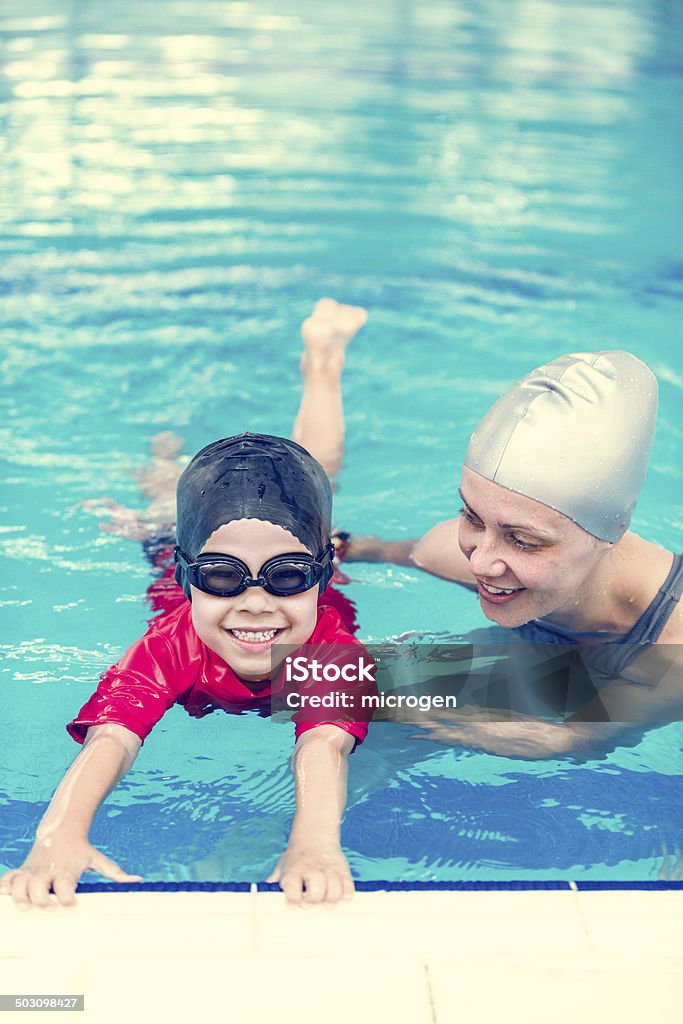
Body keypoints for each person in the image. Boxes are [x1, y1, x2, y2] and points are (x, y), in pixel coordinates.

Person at [0, 299, 372, 910]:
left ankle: (322, 365)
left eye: (286, 577)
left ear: (321, 573)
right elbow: (111, 739)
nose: (256, 605)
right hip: (175, 565)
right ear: (190, 573)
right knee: (156, 510)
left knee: (319, 475)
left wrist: (314, 844)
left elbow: (322, 743)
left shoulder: (331, 648)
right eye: (224, 578)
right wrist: (58, 833)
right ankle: (161, 465)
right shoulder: (175, 640)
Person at [342, 350, 683, 758]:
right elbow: (366, 549)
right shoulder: (450, 551)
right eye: (471, 515)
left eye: (523, 540)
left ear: (612, 531)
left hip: (627, 655)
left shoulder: (672, 654)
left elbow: (583, 741)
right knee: (335, 694)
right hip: (545, 652)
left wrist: (556, 741)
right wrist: (344, 550)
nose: (479, 563)